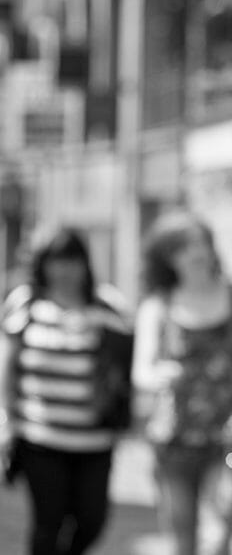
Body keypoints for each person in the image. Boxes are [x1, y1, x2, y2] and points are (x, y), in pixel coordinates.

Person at [132, 211, 232, 555]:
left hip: (229, 438)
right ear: (167, 259)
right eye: (181, 248)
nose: (194, 254)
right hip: (173, 440)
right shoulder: (157, 306)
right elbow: (141, 372)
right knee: (182, 538)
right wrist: (160, 375)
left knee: (219, 531)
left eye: (199, 243)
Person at [0, 226, 134, 555]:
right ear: (43, 265)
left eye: (71, 261)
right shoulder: (27, 301)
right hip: (40, 438)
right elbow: (7, 364)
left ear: (84, 263)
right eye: (55, 261)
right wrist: (5, 421)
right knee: (48, 522)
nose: (64, 270)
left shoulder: (105, 303)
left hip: (95, 439)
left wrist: (97, 324)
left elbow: (128, 351)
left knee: (93, 520)